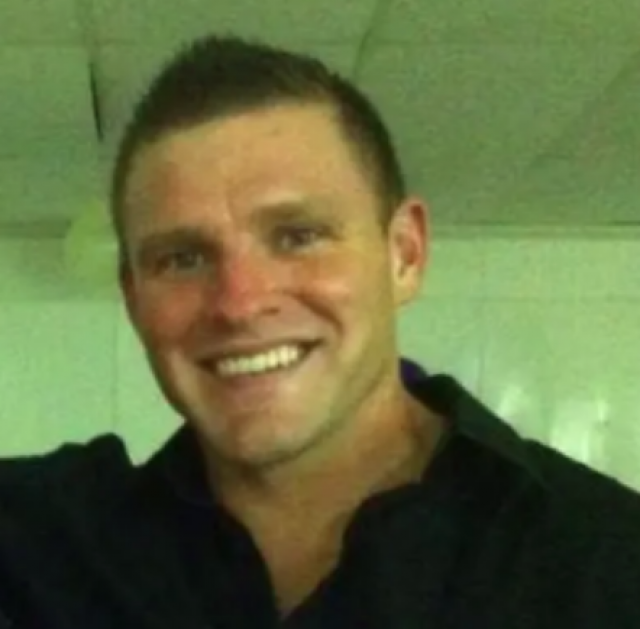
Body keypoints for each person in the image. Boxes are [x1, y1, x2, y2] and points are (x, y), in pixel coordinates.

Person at [1, 34, 640, 629]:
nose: (240, 302)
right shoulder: (44, 552)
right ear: (134, 296)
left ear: (405, 254)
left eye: (298, 236)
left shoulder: (603, 564)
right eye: (183, 258)